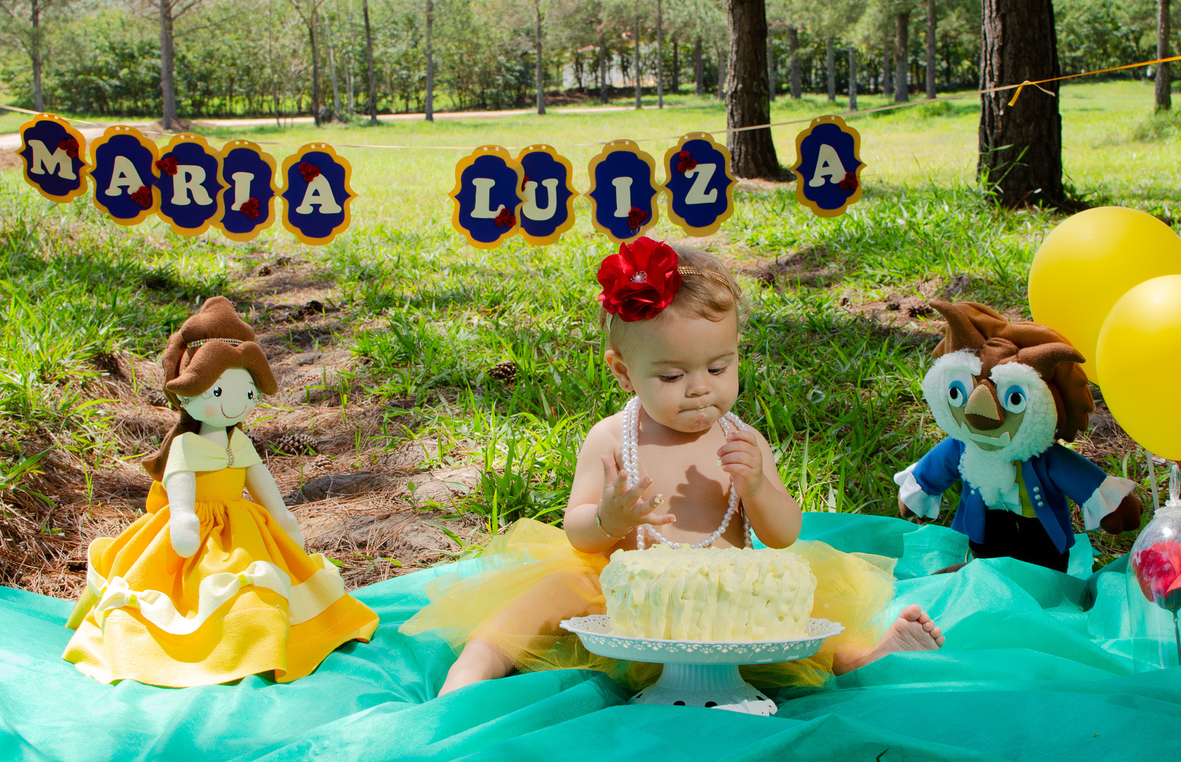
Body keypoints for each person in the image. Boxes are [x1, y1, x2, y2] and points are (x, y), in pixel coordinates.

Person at [403, 238, 943, 696]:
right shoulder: (613, 438)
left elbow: (783, 534)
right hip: (623, 600)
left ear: (736, 353)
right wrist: (609, 519)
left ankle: (860, 655)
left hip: (725, 608)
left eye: (717, 366)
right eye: (671, 376)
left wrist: (756, 486)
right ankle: (476, 665)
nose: (699, 387)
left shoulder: (743, 441)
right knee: (553, 590)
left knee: (803, 602)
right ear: (623, 371)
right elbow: (578, 533)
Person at [64, 296, 378, 687]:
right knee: (188, 594)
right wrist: (182, 517)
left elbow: (261, 485)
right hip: (193, 531)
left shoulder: (240, 444)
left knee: (257, 582)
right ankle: (200, 648)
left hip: (244, 530)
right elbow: (179, 489)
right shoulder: (184, 446)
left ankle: (258, 639)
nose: (235, 404)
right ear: (186, 393)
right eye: (217, 392)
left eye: (246, 392)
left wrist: (282, 518)